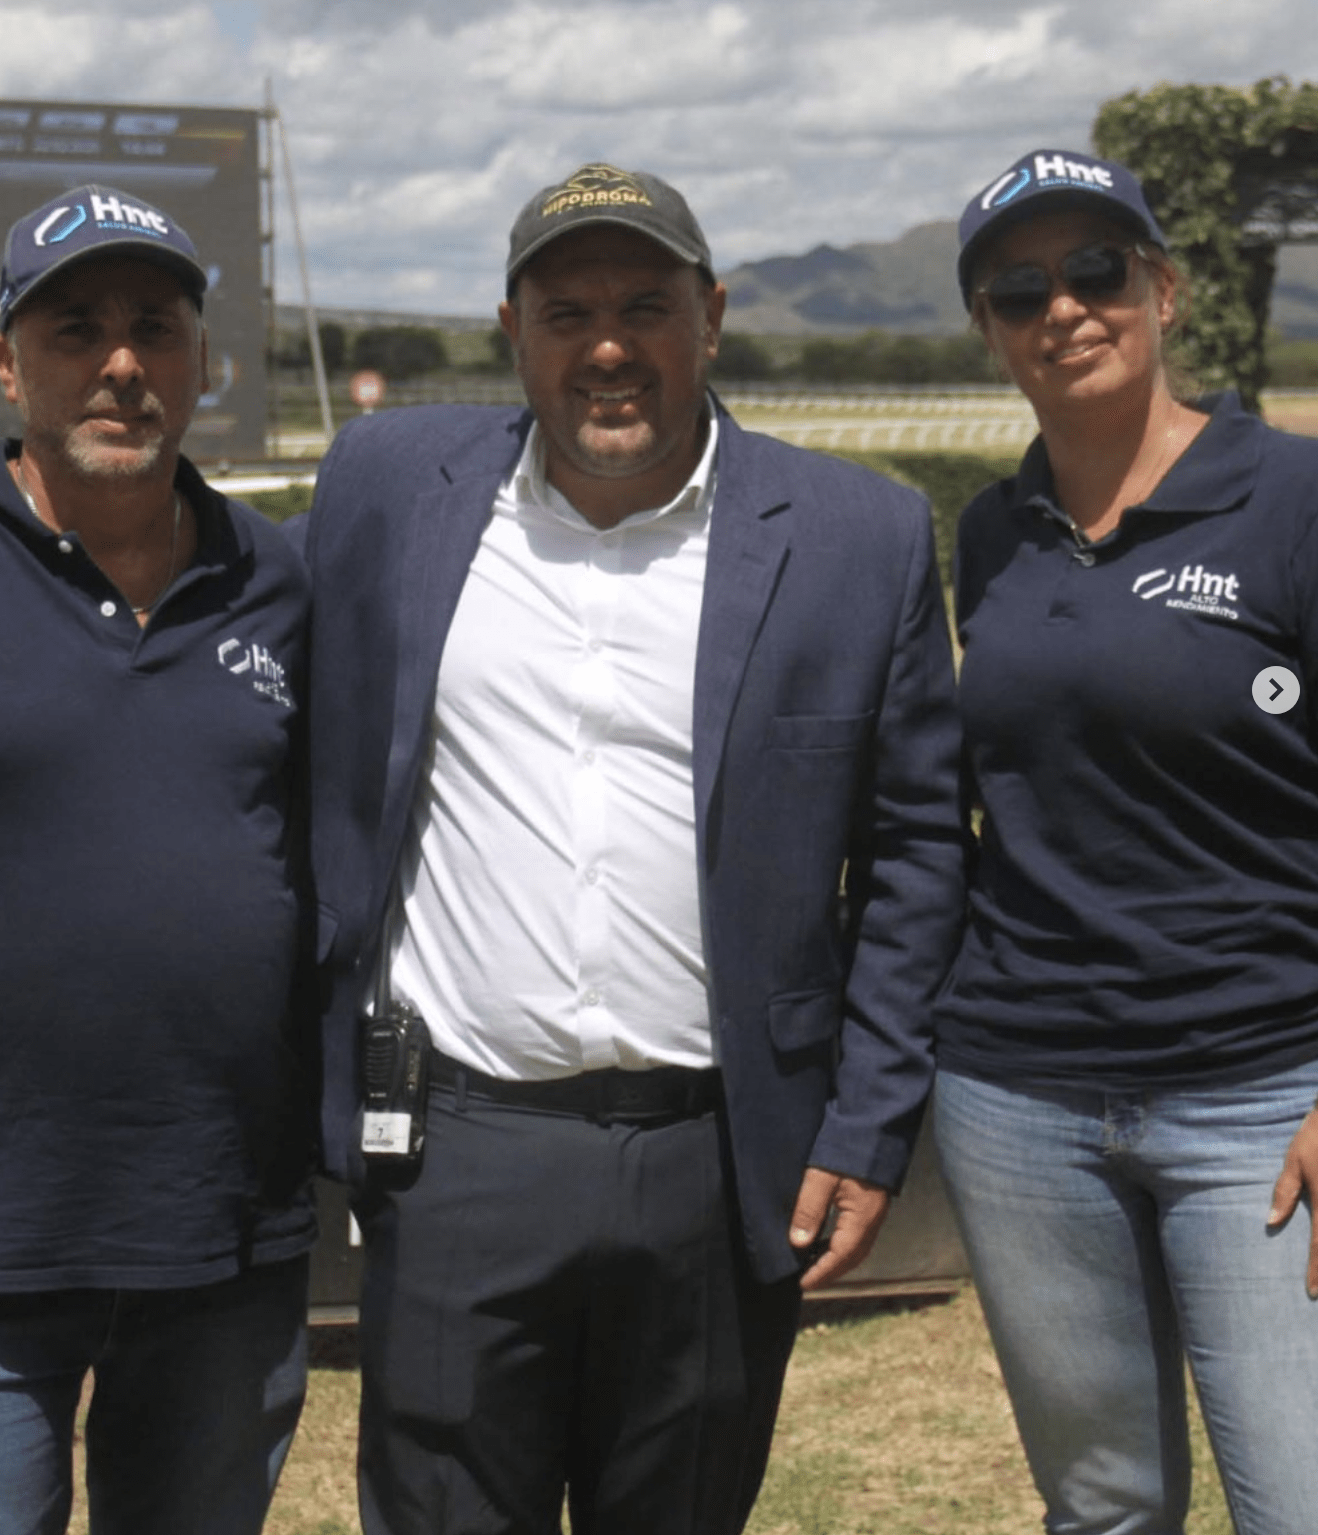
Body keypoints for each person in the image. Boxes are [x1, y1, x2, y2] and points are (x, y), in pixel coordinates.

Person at [302, 162, 966, 1534]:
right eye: (567, 310)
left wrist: (869, 1120)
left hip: (719, 1165)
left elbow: (912, 854)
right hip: (457, 1148)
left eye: (646, 305)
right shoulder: (385, 485)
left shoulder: (858, 537)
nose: (607, 346)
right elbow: (199, 586)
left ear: (711, 316)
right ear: (512, 330)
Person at [0, 185, 317, 1535]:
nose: (120, 362)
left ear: (205, 362)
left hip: (222, 1231)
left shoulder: (283, 583)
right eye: (76, 328)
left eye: (155, 327)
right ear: (9, 365)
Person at [932, 148, 1318, 1535]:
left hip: (1265, 1097)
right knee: (1103, 1510)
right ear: (987, 329)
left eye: (1097, 272)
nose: (1065, 310)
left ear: (1164, 288)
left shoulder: (1293, 501)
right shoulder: (994, 534)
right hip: (1020, 1100)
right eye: (1019, 290)